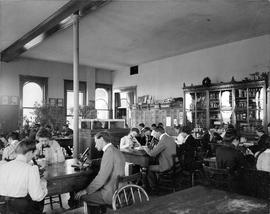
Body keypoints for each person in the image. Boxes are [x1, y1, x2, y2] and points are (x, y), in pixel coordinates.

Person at [75, 131, 125, 212]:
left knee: (81, 196)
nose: (95, 145)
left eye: (96, 142)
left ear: (101, 139)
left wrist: (86, 190)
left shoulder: (108, 153)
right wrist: (91, 162)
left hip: (110, 194)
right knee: (93, 190)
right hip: (121, 191)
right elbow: (104, 161)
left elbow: (101, 178)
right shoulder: (115, 150)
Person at [0, 139, 47, 214]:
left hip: (3, 208)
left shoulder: (2, 165)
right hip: (21, 209)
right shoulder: (31, 169)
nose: (33, 157)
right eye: (33, 154)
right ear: (29, 153)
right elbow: (37, 196)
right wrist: (43, 185)